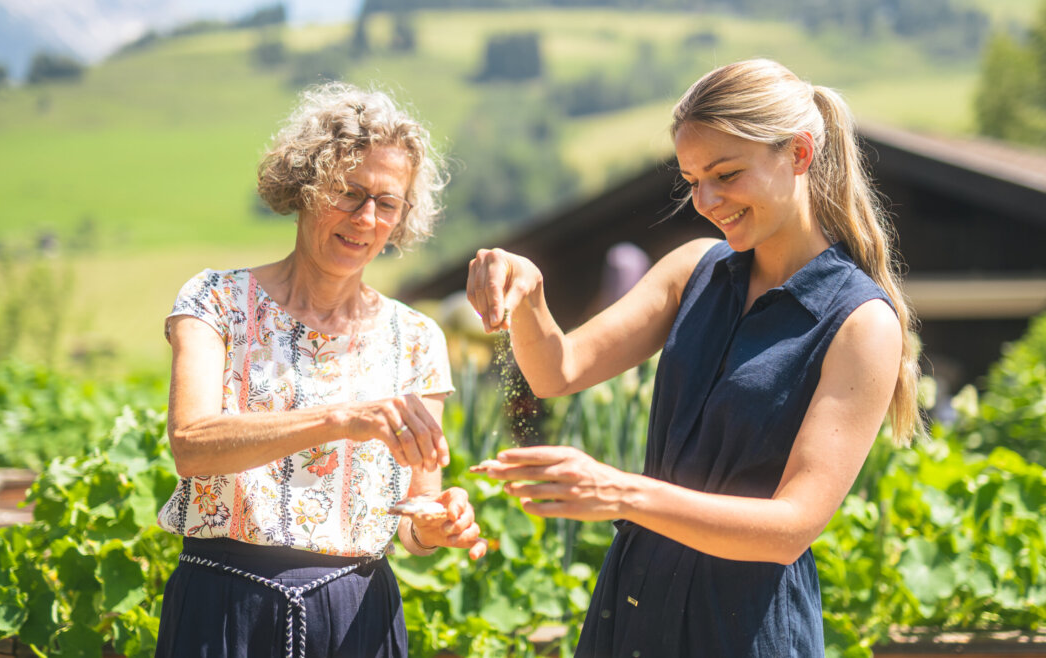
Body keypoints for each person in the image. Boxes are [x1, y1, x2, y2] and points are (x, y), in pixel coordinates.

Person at [467, 58, 921, 657]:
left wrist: (621, 493)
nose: (705, 200)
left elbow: (790, 528)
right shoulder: (694, 270)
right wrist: (528, 293)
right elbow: (558, 372)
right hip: (632, 607)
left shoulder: (862, 323)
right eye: (691, 180)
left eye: (726, 174)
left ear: (801, 154)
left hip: (741, 630)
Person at [154, 83, 485, 658]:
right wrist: (341, 418)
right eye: (349, 192)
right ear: (307, 185)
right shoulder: (216, 302)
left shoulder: (416, 339)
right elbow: (193, 446)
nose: (366, 218)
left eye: (387, 203)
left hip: (357, 616)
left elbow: (415, 511)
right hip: (225, 607)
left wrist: (434, 524)